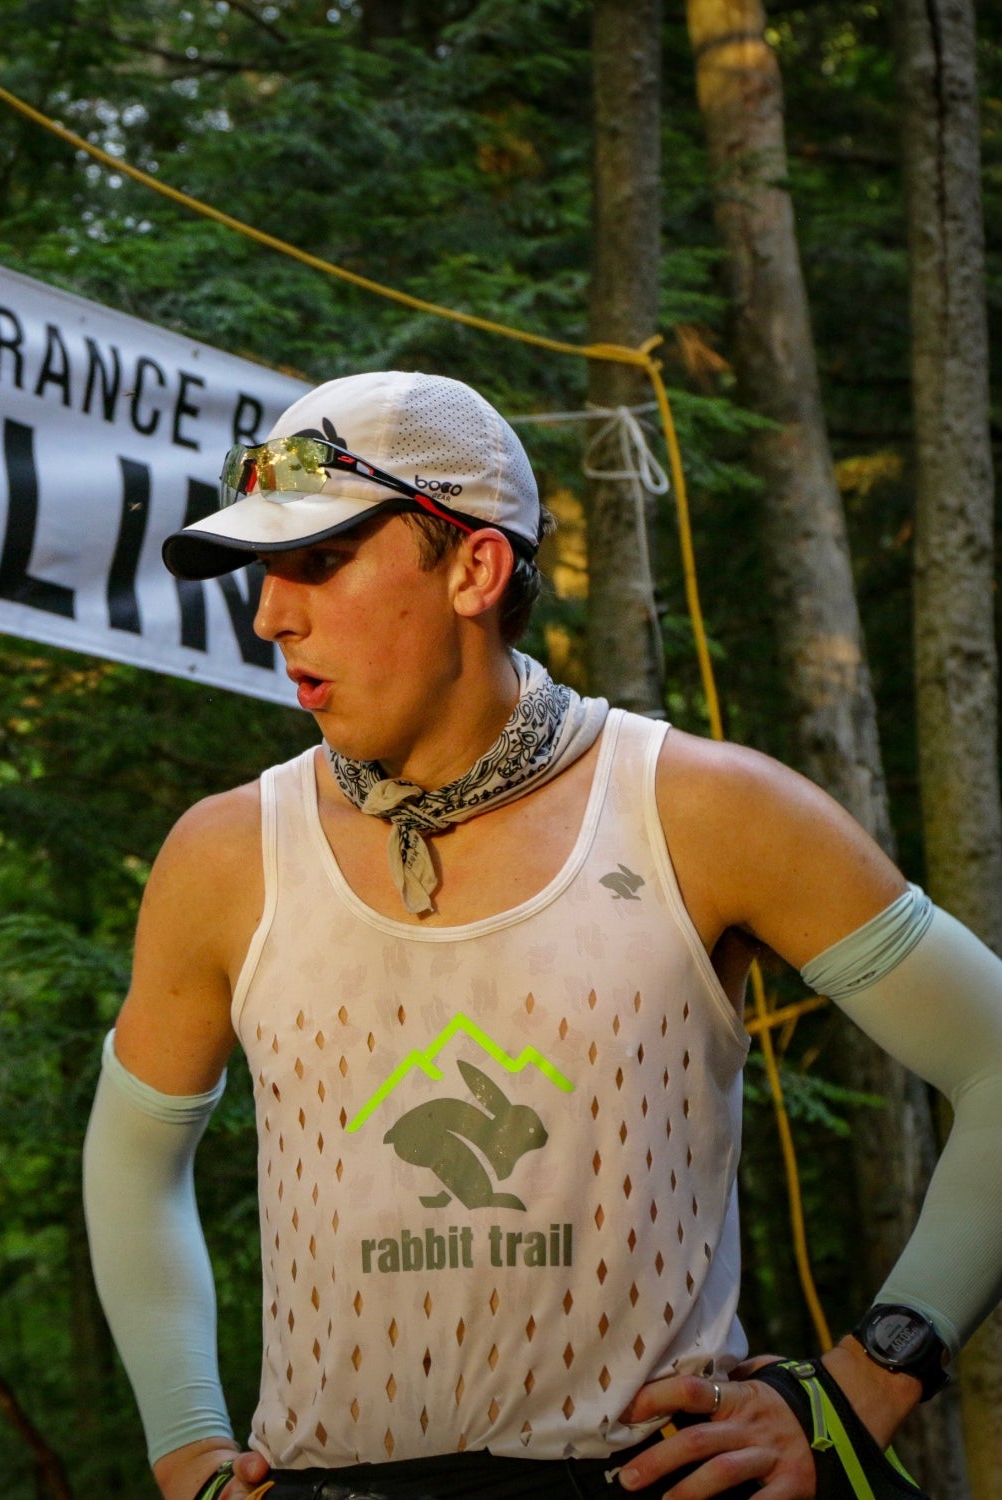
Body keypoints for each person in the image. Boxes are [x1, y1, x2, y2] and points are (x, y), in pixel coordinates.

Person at [82, 371, 1002, 1500]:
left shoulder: (706, 810)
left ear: (474, 567)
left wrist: (868, 1386)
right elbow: (132, 1157)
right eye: (266, 572)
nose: (272, 613)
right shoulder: (225, 855)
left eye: (317, 561)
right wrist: (186, 1452)